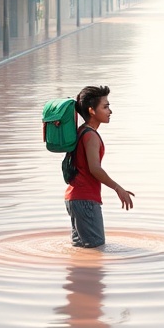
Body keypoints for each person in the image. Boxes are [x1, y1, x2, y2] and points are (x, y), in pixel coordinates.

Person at [64, 85, 135, 248]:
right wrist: (118, 188)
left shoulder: (81, 131)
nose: (110, 111)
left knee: (82, 249)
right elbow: (94, 168)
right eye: (105, 106)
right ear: (92, 111)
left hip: (74, 198)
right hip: (85, 199)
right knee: (96, 247)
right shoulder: (90, 136)